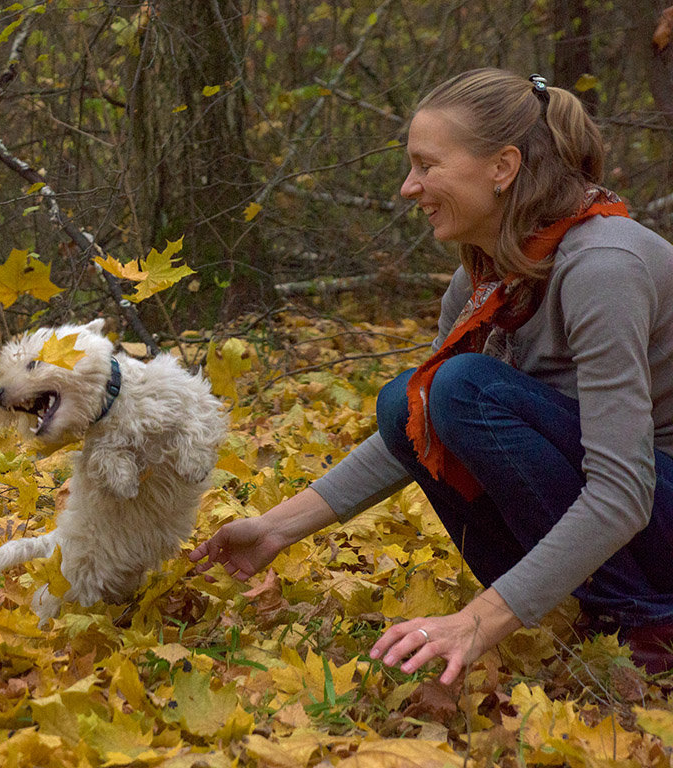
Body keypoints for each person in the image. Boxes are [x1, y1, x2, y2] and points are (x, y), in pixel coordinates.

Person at [189, 68, 673, 683]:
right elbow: (422, 430)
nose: (407, 187)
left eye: (425, 165)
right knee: (408, 403)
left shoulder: (605, 267)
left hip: (655, 505)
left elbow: (622, 489)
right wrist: (275, 529)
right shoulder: (484, 277)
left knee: (456, 386)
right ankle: (596, 608)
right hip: (639, 517)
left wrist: (478, 621)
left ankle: (649, 619)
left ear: (502, 168)